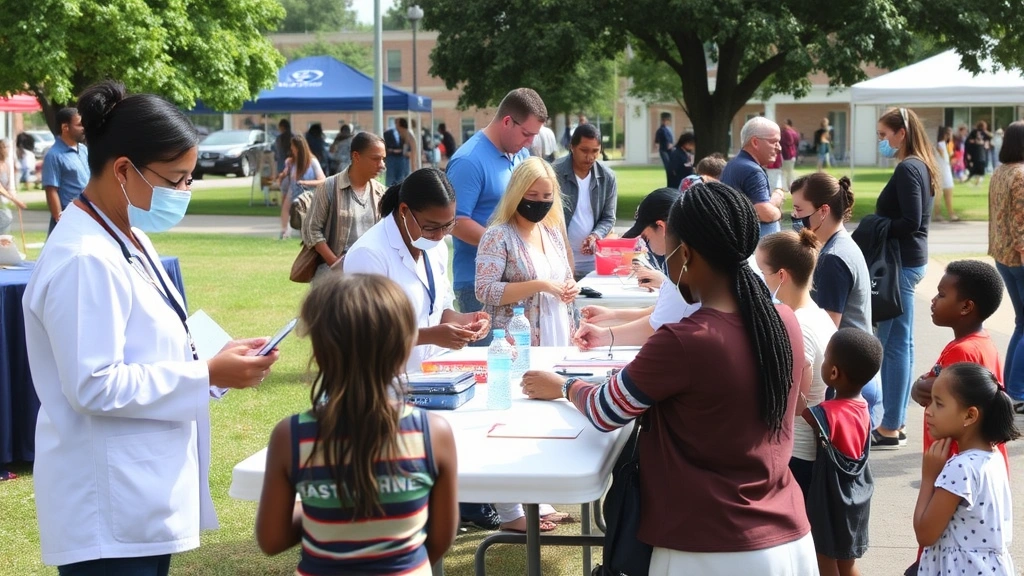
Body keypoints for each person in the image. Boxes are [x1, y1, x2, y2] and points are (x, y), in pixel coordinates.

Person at [23, 79, 280, 574]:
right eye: (177, 179)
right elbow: (94, 384)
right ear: (123, 170)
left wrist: (217, 357)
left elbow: (151, 335)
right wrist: (208, 375)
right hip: (106, 512)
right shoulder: (84, 258)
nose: (185, 192)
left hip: (139, 492)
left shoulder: (127, 235)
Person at [522, 181, 815, 575]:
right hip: (787, 536)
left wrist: (562, 385)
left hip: (708, 545)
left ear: (686, 254)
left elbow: (607, 409)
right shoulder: (783, 322)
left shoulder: (685, 341)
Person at [255, 274, 459, 575]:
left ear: (320, 354)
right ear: (404, 351)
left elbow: (271, 540)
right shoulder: (433, 434)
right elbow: (441, 538)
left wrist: (319, 508)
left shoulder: (292, 437)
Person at [906, 260, 1010, 575]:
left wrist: (931, 476)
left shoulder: (961, 354)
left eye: (941, 294)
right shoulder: (979, 343)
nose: (933, 300)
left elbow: (923, 388)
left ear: (966, 306)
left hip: (949, 482)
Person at [344, 168, 491, 372]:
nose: (440, 236)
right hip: (383, 380)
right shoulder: (368, 254)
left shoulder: (435, 246)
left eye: (448, 226)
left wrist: (465, 322)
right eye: (430, 227)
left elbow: (438, 307)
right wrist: (430, 335)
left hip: (429, 374)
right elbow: (367, 334)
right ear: (404, 211)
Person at [789, 173, 883, 428]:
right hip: (857, 374)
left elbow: (827, 327)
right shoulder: (842, 245)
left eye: (799, 209)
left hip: (846, 379)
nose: (794, 217)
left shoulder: (833, 258)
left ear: (823, 211)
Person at [872, 107, 941, 448]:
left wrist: (876, 225)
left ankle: (890, 425)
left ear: (902, 133)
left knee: (896, 345)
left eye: (884, 135)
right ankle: (894, 421)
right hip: (909, 261)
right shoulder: (920, 165)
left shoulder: (908, 168)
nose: (882, 142)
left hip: (901, 263)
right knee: (902, 343)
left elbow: (911, 221)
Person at [448, 88, 547, 319]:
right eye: (526, 133)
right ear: (507, 121)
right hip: (478, 282)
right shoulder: (469, 161)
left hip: (517, 279)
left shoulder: (520, 154)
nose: (530, 142)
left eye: (534, 135)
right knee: (492, 355)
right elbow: (455, 222)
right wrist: (507, 249)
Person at [914, 363, 1019, 576]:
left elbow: (925, 534)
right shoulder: (993, 457)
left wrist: (928, 477)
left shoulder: (960, 467)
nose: (929, 411)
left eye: (939, 404)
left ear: (970, 416)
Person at [754, 230, 836, 499]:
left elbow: (795, 402)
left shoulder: (798, 326)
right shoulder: (818, 314)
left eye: (762, 273)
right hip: (802, 448)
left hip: (797, 453)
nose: (759, 281)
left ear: (781, 276)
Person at [574, 188, 701, 349]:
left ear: (662, 227)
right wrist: (613, 315)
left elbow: (657, 328)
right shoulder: (692, 256)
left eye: (646, 238)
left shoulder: (685, 268)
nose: (646, 246)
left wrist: (604, 335)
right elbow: (664, 310)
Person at [801, 328, 881, 576]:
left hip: (830, 500)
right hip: (856, 498)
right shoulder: (863, 408)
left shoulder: (827, 413)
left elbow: (801, 409)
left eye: (825, 358)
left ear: (833, 372)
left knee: (825, 559)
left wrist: (801, 377)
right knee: (847, 562)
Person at [475, 157, 577, 347]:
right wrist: (539, 285)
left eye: (547, 196)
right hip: (519, 343)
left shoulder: (551, 231)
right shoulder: (498, 236)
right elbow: (485, 290)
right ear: (517, 193)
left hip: (559, 331)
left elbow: (566, 277)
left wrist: (571, 286)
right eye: (533, 194)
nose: (540, 202)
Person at [300, 132, 387, 280]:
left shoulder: (381, 192)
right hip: (332, 276)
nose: (382, 165)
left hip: (370, 275)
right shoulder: (329, 187)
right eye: (375, 159)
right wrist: (335, 264)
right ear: (356, 156)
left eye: (383, 159)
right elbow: (311, 230)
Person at [988, 120, 1024, 412]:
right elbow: (1021, 222)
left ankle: (1011, 388)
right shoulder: (1021, 174)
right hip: (1019, 257)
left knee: (1021, 323)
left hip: (1002, 256)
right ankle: (1017, 391)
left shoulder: (1000, 172)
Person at [552, 123, 618, 279]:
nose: (590, 157)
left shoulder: (608, 177)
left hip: (594, 262)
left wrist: (595, 236)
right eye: (584, 150)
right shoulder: (554, 172)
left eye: (595, 151)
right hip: (559, 259)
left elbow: (609, 217)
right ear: (572, 147)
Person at [720, 116, 785, 237]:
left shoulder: (733, 164)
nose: (779, 148)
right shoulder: (753, 171)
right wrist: (777, 207)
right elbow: (764, 213)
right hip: (752, 248)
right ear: (755, 142)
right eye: (774, 142)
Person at [42, 107, 89, 234]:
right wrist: (59, 218)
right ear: (65, 127)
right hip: (69, 217)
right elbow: (51, 190)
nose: (84, 128)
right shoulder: (54, 155)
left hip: (88, 214)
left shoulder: (83, 150)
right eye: (79, 125)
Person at [275, 134, 325, 240]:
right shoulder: (291, 162)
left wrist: (306, 183)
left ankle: (308, 234)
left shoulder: (312, 162)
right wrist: (282, 175)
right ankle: (284, 232)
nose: (291, 148)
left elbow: (323, 180)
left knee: (305, 215)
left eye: (293, 146)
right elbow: (285, 175)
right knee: (286, 208)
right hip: (293, 190)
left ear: (298, 147)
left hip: (308, 193)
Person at [0, 140, 27, 235]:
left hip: (2, 201)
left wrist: (15, 199)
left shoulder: (6, 165)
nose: (9, 151)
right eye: (7, 148)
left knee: (6, 218)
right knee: (6, 217)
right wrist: (15, 201)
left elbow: (7, 188)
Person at [933, 126, 958, 221]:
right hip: (943, 171)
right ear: (945, 135)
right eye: (950, 134)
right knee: (942, 193)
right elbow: (944, 157)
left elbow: (949, 157)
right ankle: (942, 214)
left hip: (945, 170)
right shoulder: (941, 145)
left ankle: (948, 214)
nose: (951, 136)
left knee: (942, 193)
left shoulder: (946, 145)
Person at [965, 120, 992, 186]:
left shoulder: (980, 132)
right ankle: (977, 181)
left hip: (978, 152)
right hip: (978, 152)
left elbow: (990, 137)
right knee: (979, 166)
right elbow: (968, 141)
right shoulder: (975, 132)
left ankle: (977, 181)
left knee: (979, 166)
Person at [384, 119, 409, 186]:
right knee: (390, 178)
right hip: (391, 158)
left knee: (400, 178)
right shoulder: (387, 133)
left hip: (401, 158)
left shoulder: (404, 133)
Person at [654, 112, 674, 186]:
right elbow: (657, 140)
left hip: (669, 150)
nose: (666, 122)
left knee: (670, 167)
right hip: (664, 150)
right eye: (665, 120)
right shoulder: (661, 130)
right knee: (668, 167)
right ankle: (670, 184)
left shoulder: (668, 129)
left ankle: (671, 183)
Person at [780, 119, 800, 190]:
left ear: (788, 124)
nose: (782, 125)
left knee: (785, 172)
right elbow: (797, 143)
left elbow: (784, 143)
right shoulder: (794, 132)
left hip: (786, 154)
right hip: (793, 154)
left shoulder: (785, 133)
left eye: (784, 123)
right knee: (790, 172)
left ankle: (786, 187)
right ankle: (791, 186)